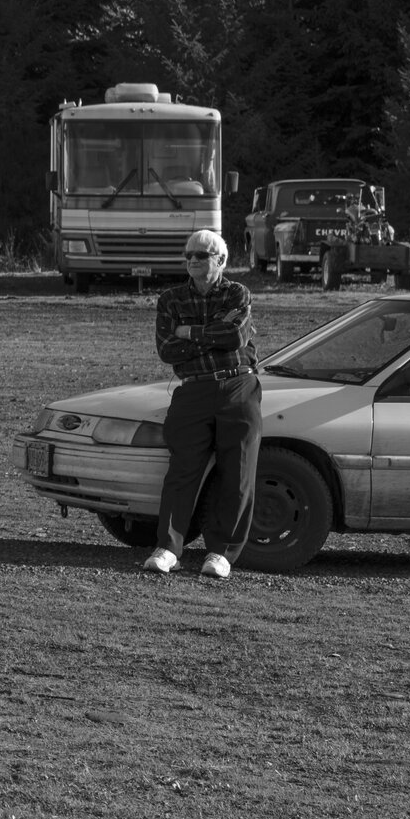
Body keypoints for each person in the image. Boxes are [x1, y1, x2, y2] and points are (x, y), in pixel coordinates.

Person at [146, 228, 259, 578]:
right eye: (188, 255)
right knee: (182, 471)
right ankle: (168, 548)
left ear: (221, 260)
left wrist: (189, 332)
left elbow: (235, 336)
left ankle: (221, 553)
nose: (192, 261)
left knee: (237, 471)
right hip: (192, 389)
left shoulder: (237, 293)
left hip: (237, 387)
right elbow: (167, 350)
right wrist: (212, 334)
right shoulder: (170, 299)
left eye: (202, 255)